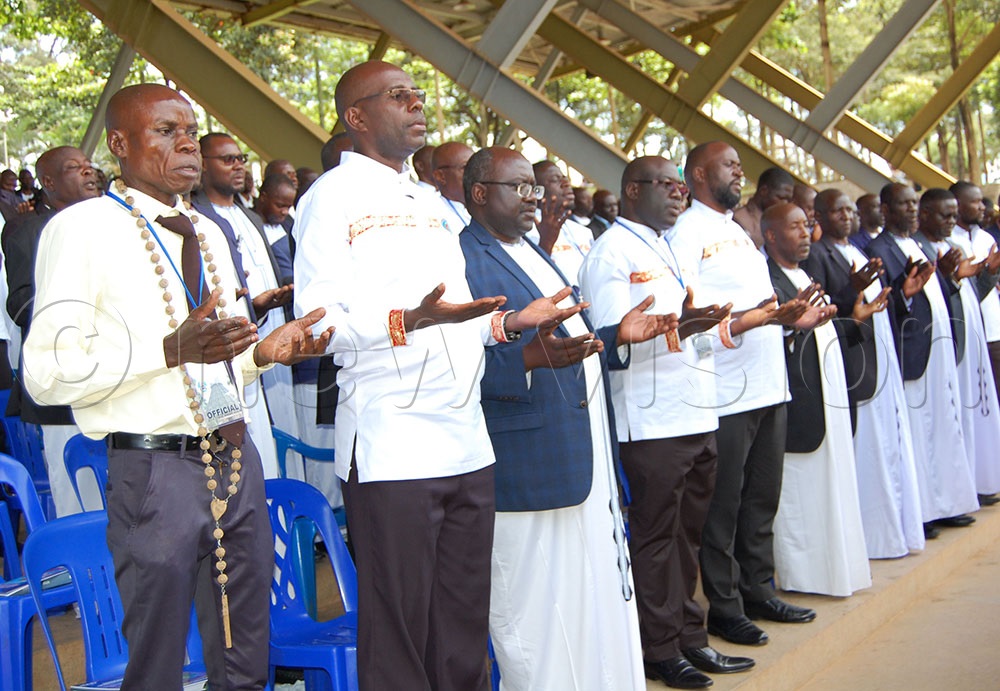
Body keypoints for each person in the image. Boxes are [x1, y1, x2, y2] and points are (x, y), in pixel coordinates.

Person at [21, 83, 332, 688]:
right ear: (119, 143)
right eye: (165, 131)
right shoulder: (82, 228)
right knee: (157, 651)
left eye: (189, 129)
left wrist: (263, 353)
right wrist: (165, 351)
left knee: (245, 639)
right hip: (154, 468)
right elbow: (47, 369)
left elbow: (210, 360)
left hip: (233, 454)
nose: (186, 141)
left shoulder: (207, 232)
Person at [293, 60, 581, 690]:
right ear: (357, 116)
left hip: (466, 438)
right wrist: (405, 320)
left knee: (461, 619)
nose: (417, 105)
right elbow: (315, 325)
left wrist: (504, 325)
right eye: (399, 96)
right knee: (399, 629)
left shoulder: (431, 202)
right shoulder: (329, 200)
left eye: (420, 94)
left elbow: (452, 315)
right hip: (394, 442)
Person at [462, 147, 681, 691]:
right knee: (533, 614)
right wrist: (525, 358)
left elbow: (563, 343)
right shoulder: (465, 258)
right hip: (525, 463)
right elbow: (461, 360)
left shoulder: (535, 252)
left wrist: (615, 338)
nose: (533, 199)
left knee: (586, 598)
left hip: (578, 450)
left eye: (534, 188)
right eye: (518, 187)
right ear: (479, 193)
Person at [581, 156, 773, 689]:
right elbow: (611, 340)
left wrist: (727, 325)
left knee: (688, 534)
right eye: (664, 185)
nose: (677, 194)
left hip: (696, 411)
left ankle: (691, 637)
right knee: (657, 539)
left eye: (679, 186)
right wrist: (662, 330)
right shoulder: (610, 253)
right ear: (631, 190)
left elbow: (692, 329)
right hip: (650, 420)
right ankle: (658, 648)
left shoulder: (665, 247)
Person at [671, 141, 816, 648]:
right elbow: (687, 315)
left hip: (768, 383)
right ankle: (725, 606)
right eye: (728, 165)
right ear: (697, 176)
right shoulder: (685, 233)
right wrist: (756, 318)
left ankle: (758, 589)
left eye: (738, 165)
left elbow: (764, 307)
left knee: (761, 498)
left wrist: (793, 317)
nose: (739, 172)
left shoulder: (738, 231)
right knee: (723, 506)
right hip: (727, 391)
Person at [803, 189, 924, 559]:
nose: (847, 217)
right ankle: (873, 537)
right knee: (868, 448)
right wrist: (849, 290)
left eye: (850, 211)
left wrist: (903, 293)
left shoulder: (857, 250)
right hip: (854, 361)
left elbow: (878, 304)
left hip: (879, 352)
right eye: (837, 211)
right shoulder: (817, 256)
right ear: (819, 217)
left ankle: (896, 529)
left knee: (889, 443)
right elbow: (824, 311)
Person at [763, 202, 873, 597]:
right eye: (795, 227)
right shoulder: (767, 279)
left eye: (807, 225)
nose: (806, 233)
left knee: (833, 486)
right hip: (800, 403)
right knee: (801, 493)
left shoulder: (802, 274)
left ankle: (835, 569)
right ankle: (802, 578)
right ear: (772, 235)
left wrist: (852, 319)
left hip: (828, 396)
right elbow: (772, 337)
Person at [866, 184, 980, 538]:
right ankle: (925, 511)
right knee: (919, 431)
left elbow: (931, 289)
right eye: (905, 204)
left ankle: (946, 502)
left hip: (937, 347)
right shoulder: (877, 248)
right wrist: (903, 291)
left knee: (942, 425)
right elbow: (888, 302)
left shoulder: (914, 243)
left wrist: (946, 276)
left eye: (915, 203)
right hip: (912, 350)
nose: (913, 210)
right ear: (886, 210)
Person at [4, 146, 102, 516]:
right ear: (49, 182)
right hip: (63, 383)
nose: (89, 173)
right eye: (76, 168)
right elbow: (20, 303)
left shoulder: (112, 221)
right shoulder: (27, 229)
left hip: (117, 376)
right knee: (77, 493)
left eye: (90, 166)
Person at [192, 133, 295, 480]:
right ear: (202, 167)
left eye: (240, 158)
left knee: (276, 433)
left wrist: (270, 301)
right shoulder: (197, 217)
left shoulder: (248, 215)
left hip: (269, 329)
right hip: (232, 347)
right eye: (227, 159)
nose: (238, 166)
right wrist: (252, 305)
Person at [915, 188, 1000, 517]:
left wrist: (987, 272)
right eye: (946, 215)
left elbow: (972, 295)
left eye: (953, 215)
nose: (951, 221)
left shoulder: (955, 246)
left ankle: (979, 481)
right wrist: (950, 275)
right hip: (944, 347)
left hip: (970, 338)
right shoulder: (921, 248)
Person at [950, 181, 1000, 509]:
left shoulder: (986, 239)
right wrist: (986, 274)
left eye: (983, 204)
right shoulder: (949, 243)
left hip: (994, 330)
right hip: (967, 335)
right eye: (975, 203)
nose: (982, 208)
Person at [530, 159, 592, 285]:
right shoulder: (525, 232)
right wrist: (545, 243)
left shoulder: (583, 232)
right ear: (537, 191)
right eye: (555, 179)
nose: (566, 183)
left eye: (564, 178)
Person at [732, 167, 794, 250]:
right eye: (781, 198)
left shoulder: (782, 224)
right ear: (763, 191)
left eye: (789, 200)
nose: (785, 204)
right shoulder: (738, 219)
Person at [254, 173, 297, 283]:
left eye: (288, 207)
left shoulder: (288, 223)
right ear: (263, 197)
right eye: (280, 205)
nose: (285, 212)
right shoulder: (249, 224)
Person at [431, 141, 474, 234]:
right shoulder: (432, 213)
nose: (474, 174)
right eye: (465, 167)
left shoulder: (486, 208)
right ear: (440, 176)